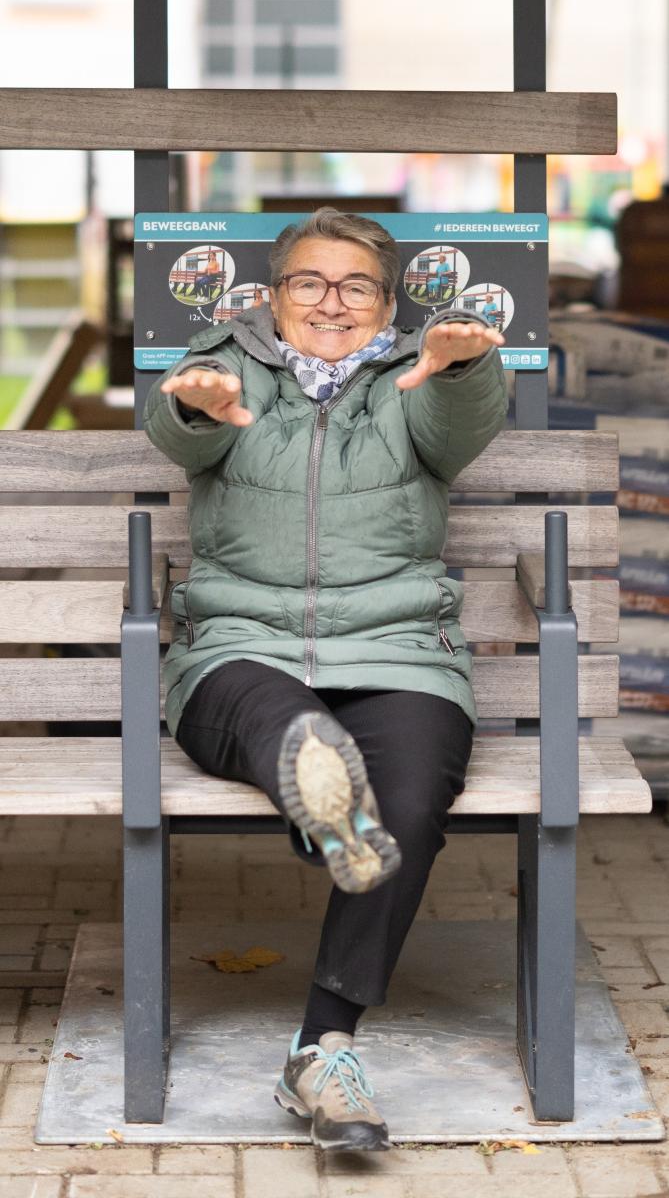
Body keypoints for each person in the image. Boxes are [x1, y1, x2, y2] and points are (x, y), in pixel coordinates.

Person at [144, 208, 507, 1152]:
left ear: (387, 304)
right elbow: (177, 428)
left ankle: (323, 1046)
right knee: (286, 722)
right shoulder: (225, 361)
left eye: (356, 287)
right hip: (239, 644)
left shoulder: (413, 374)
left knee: (413, 790)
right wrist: (198, 407)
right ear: (274, 294)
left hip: (397, 648)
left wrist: (459, 368)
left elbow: (454, 428)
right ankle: (325, 800)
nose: (331, 303)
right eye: (309, 282)